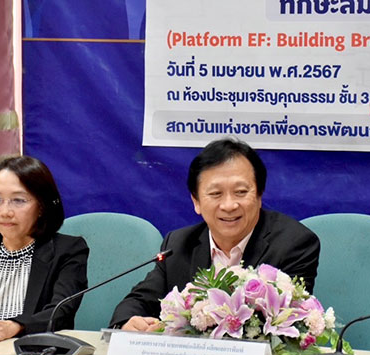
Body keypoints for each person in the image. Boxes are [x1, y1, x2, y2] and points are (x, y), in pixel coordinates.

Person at [110, 137, 320, 332]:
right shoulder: (179, 245)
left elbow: (286, 325)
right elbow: (138, 301)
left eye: (240, 192)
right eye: (216, 194)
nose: (229, 205)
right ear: (196, 202)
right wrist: (128, 322)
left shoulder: (294, 244)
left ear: (259, 196)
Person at [0, 156, 88, 343]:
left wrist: (16, 326)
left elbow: (60, 313)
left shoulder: (68, 251)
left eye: (18, 200)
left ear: (41, 206)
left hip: (33, 354)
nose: (5, 212)